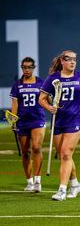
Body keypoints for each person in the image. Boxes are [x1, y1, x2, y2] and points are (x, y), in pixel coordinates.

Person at [39, 50, 80, 201]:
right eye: (69, 59)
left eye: (75, 59)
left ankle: (62, 190)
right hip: (58, 122)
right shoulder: (53, 78)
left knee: (66, 153)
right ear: (62, 62)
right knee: (65, 156)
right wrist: (49, 107)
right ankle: (75, 184)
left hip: (76, 120)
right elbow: (42, 98)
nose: (72, 62)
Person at [9, 57, 46, 192]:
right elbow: (15, 104)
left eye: (29, 67)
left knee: (36, 147)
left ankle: (37, 181)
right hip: (22, 121)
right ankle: (29, 181)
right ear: (22, 68)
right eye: (24, 67)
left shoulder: (41, 83)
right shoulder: (17, 85)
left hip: (37, 120)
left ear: (33, 68)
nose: (27, 70)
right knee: (26, 152)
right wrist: (13, 120)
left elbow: (46, 99)